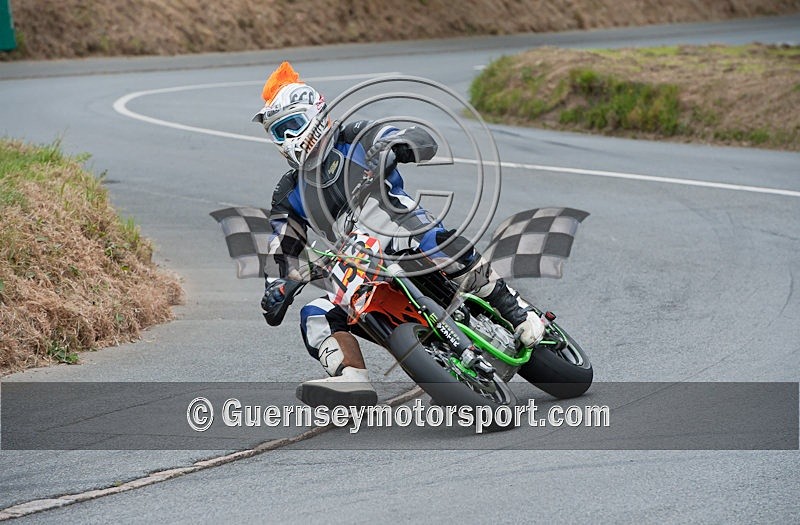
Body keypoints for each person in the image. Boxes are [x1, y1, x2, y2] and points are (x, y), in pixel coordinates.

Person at [252, 62, 545, 406]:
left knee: (437, 243)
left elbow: (401, 135)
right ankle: (350, 378)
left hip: (405, 231)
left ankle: (514, 308)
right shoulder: (287, 191)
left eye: (292, 126)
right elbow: (281, 246)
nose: (287, 139)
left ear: (315, 114)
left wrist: (404, 143)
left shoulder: (354, 136)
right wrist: (278, 286)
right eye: (278, 132)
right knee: (315, 314)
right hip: (357, 264)